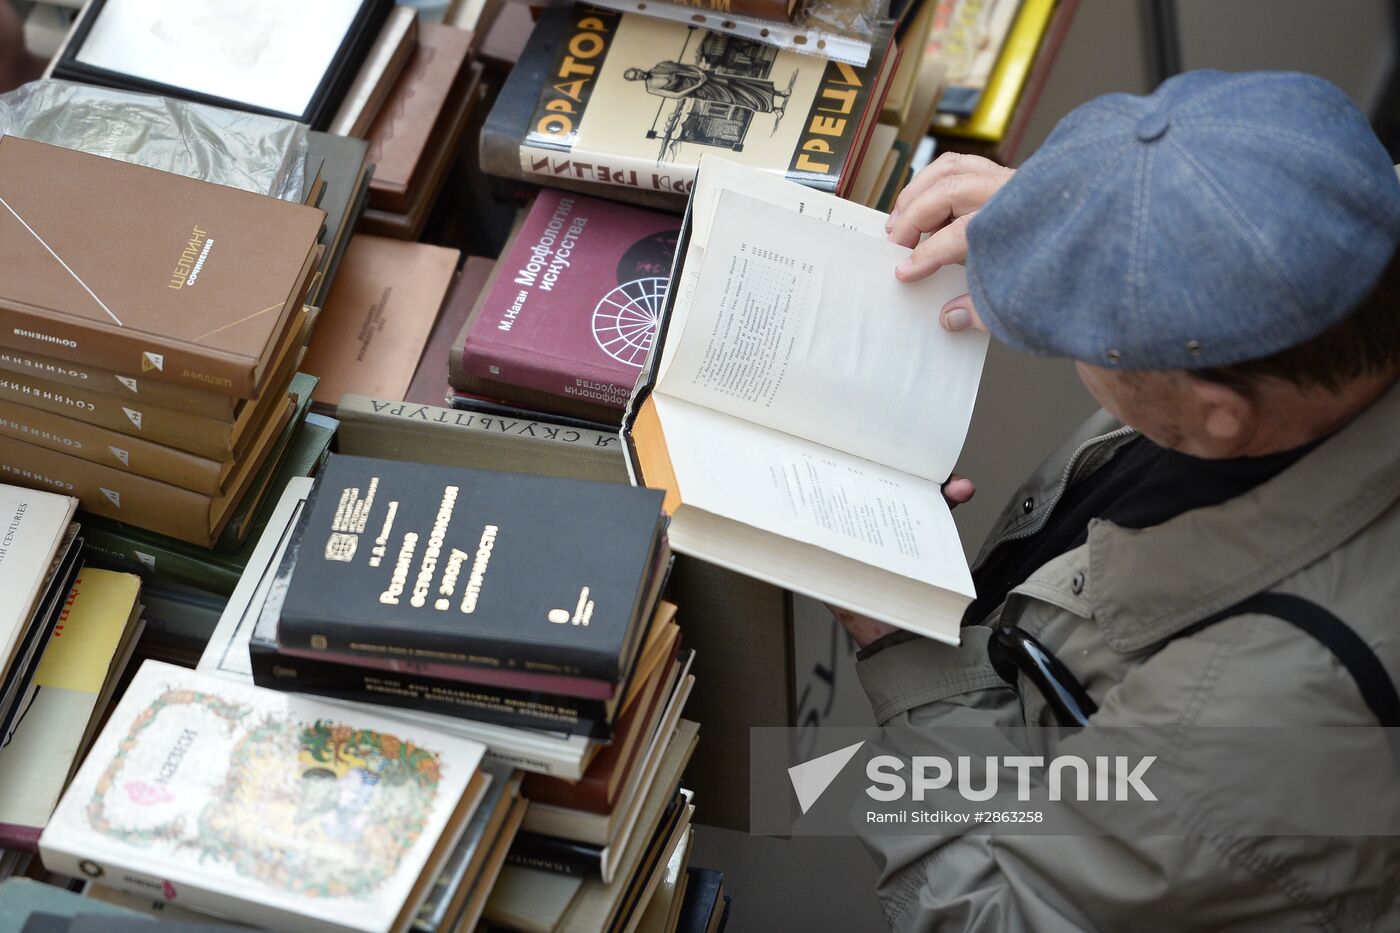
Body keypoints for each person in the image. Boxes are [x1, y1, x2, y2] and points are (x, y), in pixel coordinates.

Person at [835, 70, 1400, 930]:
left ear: (1219, 413)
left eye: (1085, 329)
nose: (1062, 328)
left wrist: (907, 651)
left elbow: (994, 913)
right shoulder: (1361, 261)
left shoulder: (1251, 723)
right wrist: (1111, 209)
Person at [623, 63, 790, 113]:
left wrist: (699, 73)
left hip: (704, 77)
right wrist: (697, 86)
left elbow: (685, 66)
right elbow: (676, 96)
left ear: (637, 69)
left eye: (636, 72)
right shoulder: (650, 88)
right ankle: (773, 108)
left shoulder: (660, 66)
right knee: (734, 98)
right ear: (635, 81)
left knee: (738, 83)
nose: (638, 75)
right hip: (700, 90)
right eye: (635, 77)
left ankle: (779, 93)